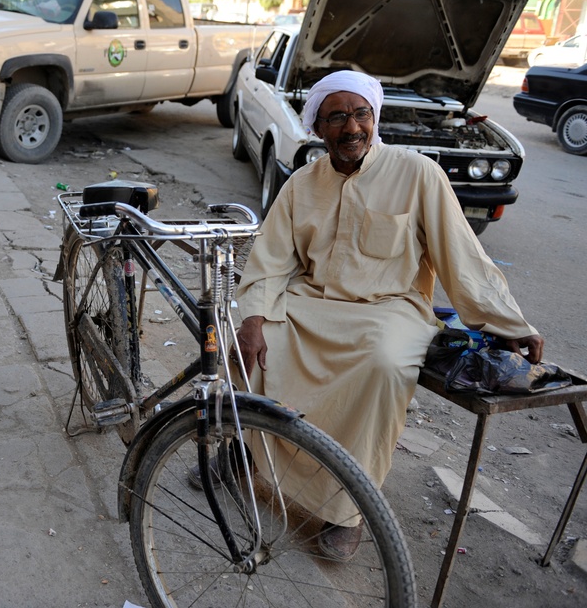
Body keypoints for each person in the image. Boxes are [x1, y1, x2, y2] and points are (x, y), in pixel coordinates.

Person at [230, 69, 544, 561]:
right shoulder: (300, 186)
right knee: (248, 343)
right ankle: (249, 458)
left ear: (374, 118)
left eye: (361, 114)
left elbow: (460, 256)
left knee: (383, 363)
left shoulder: (417, 173)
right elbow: (270, 261)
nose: (351, 127)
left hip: (391, 309)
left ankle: (347, 508)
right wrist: (251, 318)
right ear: (318, 127)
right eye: (337, 117)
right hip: (313, 304)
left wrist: (509, 322)